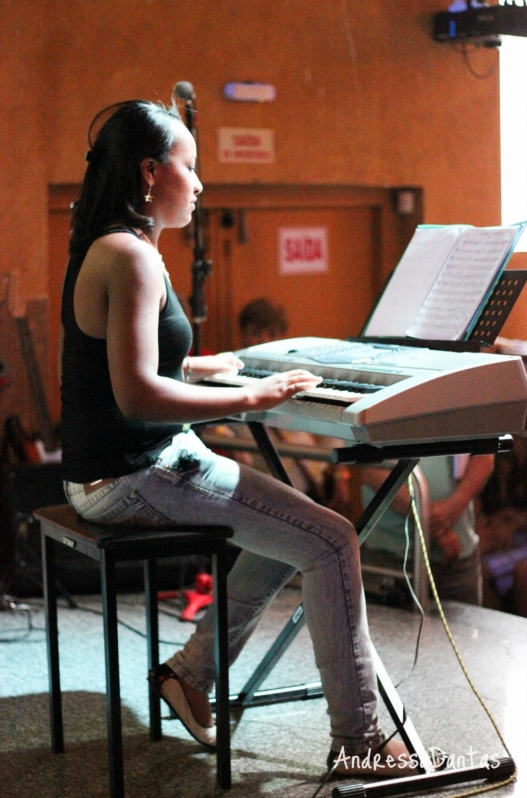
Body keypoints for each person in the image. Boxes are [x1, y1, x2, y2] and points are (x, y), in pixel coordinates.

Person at [60, 98, 417, 777]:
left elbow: (122, 364)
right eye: (189, 168)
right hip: (129, 475)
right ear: (148, 173)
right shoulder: (129, 258)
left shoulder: (111, 244)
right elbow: (135, 393)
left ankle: (192, 673)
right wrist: (251, 393)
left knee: (295, 527)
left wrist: (203, 364)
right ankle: (360, 743)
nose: (198, 185)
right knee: (333, 538)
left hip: (116, 466)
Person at [360, 454, 495, 606]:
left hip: (457, 556)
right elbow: (370, 468)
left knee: (464, 628)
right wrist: (436, 526)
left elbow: (485, 456)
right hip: (389, 557)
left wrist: (451, 508)